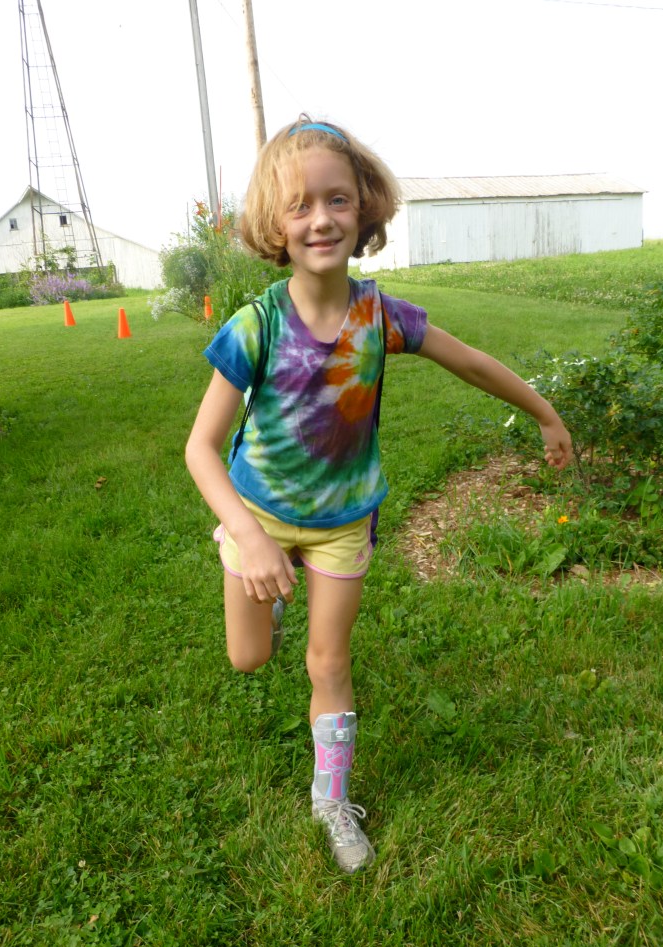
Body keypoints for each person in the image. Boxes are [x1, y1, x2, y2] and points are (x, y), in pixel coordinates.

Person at [185, 115, 572, 874]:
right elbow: (200, 447)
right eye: (299, 205)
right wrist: (249, 533)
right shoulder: (255, 325)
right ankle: (247, 557)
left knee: (327, 663)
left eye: (336, 199)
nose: (321, 218)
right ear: (274, 222)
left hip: (341, 523)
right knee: (248, 657)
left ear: (363, 207)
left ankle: (331, 799)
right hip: (259, 514)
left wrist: (545, 412)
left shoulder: (380, 316)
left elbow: (473, 362)